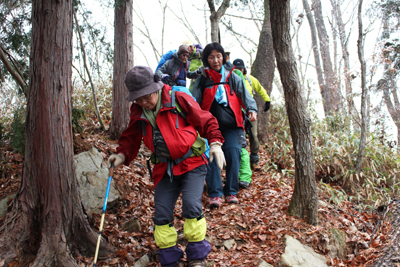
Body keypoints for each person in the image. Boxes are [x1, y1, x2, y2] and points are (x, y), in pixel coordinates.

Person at [108, 66, 225, 267]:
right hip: (164, 168)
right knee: (161, 213)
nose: (144, 102)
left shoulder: (177, 98)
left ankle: (197, 257)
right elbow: (131, 138)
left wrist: (215, 143)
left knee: (191, 205)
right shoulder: (138, 112)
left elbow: (205, 119)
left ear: (156, 88)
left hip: (192, 163)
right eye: (139, 99)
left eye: (146, 97)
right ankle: (170, 259)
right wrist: (121, 155)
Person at [187, 42, 258, 208]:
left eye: (218, 56)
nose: (216, 60)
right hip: (209, 126)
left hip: (232, 125)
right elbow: (193, 101)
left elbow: (245, 95)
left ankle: (231, 191)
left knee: (234, 154)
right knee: (211, 156)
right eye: (211, 57)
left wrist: (251, 109)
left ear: (223, 58)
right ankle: (215, 194)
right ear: (206, 60)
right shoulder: (203, 79)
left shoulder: (232, 76)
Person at [232, 58, 271, 174]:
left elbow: (260, 89)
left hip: (250, 112)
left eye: (240, 68)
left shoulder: (249, 79)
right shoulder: (230, 80)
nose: (238, 71)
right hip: (237, 112)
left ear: (244, 69)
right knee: (240, 137)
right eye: (236, 69)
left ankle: (254, 159)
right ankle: (239, 162)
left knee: (253, 135)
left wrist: (267, 100)